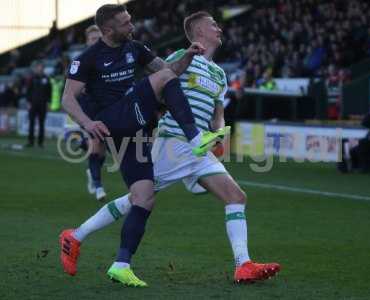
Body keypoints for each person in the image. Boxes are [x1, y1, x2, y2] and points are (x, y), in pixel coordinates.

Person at [59, 11, 280, 285]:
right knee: (139, 199)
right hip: (174, 143)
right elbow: (164, 79)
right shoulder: (174, 57)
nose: (220, 29)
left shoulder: (220, 74)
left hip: (198, 148)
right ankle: (78, 236)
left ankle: (243, 265)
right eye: (214, 25)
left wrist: (218, 132)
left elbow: (218, 111)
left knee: (236, 197)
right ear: (199, 32)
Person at [80, 25, 107, 201]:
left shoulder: (107, 57)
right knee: (96, 141)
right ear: (87, 41)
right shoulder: (82, 60)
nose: (96, 41)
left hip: (104, 105)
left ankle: (92, 171)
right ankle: (98, 186)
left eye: (99, 38)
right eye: (92, 39)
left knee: (101, 147)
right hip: (87, 106)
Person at [26, 62, 51, 147]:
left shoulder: (46, 79)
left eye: (41, 67)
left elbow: (49, 92)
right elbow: (28, 91)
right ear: (36, 68)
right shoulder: (32, 78)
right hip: (33, 104)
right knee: (31, 123)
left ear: (43, 68)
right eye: (38, 67)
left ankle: (40, 143)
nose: (40, 69)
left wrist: (48, 102)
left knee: (41, 124)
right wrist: (28, 102)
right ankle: (30, 141)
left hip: (43, 104)